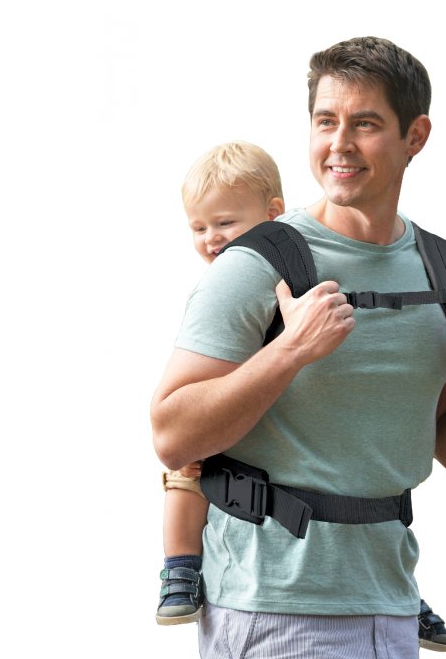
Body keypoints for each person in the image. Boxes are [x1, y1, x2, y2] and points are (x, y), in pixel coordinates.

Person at [151, 37, 446, 659]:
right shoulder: (259, 262)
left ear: (415, 136)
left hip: (391, 606)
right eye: (325, 121)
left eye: (364, 123)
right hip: (271, 608)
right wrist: (290, 351)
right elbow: (172, 436)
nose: (339, 143)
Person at [156, 140, 285, 626]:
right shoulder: (214, 289)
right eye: (199, 227)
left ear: (273, 214)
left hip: (277, 423)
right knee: (185, 470)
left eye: (225, 223)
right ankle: (180, 568)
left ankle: (402, 587)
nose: (212, 238)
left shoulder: (298, 272)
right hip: (218, 416)